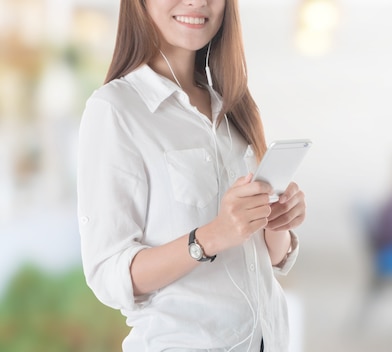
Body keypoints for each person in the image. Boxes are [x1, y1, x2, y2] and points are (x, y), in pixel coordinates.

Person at [76, 1, 306, 351]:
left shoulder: (235, 109)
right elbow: (109, 275)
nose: (197, 2)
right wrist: (211, 237)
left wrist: (277, 220)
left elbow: (270, 258)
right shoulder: (116, 110)